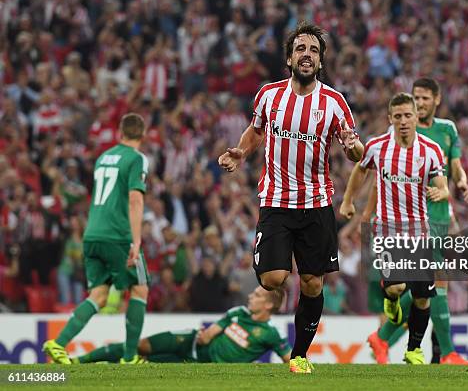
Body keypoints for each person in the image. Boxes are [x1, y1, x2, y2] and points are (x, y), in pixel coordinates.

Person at [218, 22, 363, 374]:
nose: (307, 55)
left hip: (315, 204)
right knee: (272, 279)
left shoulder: (334, 102)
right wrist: (240, 151)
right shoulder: (269, 96)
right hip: (276, 201)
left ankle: (299, 355)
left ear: (321, 61)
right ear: (289, 57)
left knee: (313, 283)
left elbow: (355, 150)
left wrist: (353, 147)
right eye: (301, 49)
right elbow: (256, 131)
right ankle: (271, 265)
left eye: (314, 50)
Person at [362, 78, 468, 365]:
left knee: (435, 285)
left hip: (441, 215)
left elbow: (456, 169)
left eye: (425, 98)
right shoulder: (397, 131)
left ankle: (384, 338)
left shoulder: (447, 129)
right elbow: (380, 179)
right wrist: (368, 214)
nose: (420, 103)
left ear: (437, 99)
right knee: (432, 284)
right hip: (410, 221)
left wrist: (461, 184)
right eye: (416, 98)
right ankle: (445, 352)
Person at [340, 92, 448, 365]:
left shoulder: (430, 150)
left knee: (423, 298)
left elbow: (441, 181)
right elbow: (361, 170)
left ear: (416, 117)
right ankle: (390, 300)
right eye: (397, 116)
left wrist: (442, 192)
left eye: (407, 115)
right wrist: (348, 200)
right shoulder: (377, 146)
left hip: (419, 232)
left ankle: (413, 350)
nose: (402, 121)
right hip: (387, 230)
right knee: (397, 288)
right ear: (390, 119)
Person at [43, 113, 150, 364]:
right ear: (143, 135)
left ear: (120, 133)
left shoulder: (103, 158)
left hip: (92, 234)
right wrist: (136, 241)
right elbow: (135, 199)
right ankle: (130, 357)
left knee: (99, 295)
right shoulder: (137, 158)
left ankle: (57, 344)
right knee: (141, 287)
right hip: (118, 235)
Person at [73, 287, 291, 364]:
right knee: (141, 346)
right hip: (190, 340)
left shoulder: (272, 333)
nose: (251, 296)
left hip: (200, 363)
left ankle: (99, 365)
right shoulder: (237, 313)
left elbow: (290, 359)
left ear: (269, 304)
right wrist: (206, 336)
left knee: (144, 364)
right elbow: (209, 334)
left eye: (258, 295)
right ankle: (79, 360)